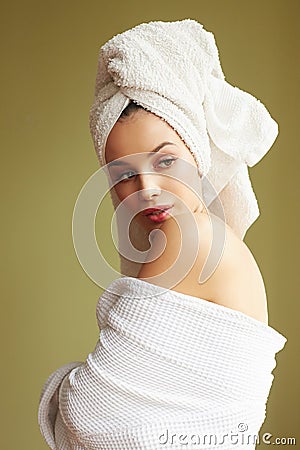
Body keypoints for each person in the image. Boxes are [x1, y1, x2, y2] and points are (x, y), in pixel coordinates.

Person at [38, 19, 287, 450]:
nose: (147, 189)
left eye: (165, 161)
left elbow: (91, 415)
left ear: (197, 152)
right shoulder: (196, 235)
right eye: (123, 174)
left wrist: (61, 391)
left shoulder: (191, 241)